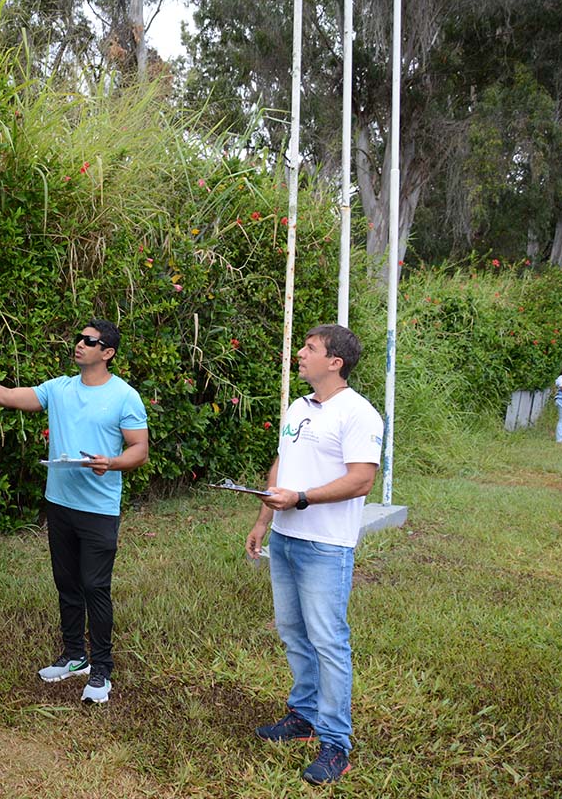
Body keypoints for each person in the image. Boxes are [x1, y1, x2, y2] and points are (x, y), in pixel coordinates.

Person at [0, 320, 148, 704]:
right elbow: (7, 397)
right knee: (66, 582)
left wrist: (110, 463)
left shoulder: (124, 396)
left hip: (98, 509)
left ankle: (101, 670)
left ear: (107, 352)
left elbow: (139, 451)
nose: (78, 344)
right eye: (78, 338)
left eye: (88, 341)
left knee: (95, 586)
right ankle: (74, 656)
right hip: (60, 504)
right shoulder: (59, 388)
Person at [244, 324, 383, 786]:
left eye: (309, 349)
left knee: (328, 642)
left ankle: (336, 744)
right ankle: (303, 717)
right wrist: (264, 520)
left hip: (326, 545)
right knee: (292, 632)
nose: (300, 354)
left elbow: (362, 480)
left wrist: (301, 498)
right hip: (285, 537)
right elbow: (283, 461)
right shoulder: (298, 406)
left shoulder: (358, 413)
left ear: (335, 362)